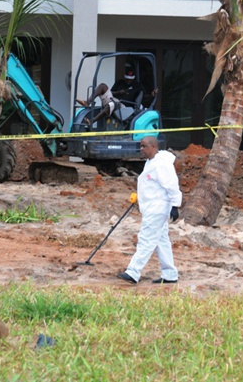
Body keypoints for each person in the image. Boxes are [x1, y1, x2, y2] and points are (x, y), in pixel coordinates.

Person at [117, 136, 182, 284]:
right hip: (151, 207)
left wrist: (175, 205)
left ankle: (133, 272)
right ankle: (170, 274)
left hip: (157, 209)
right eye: (140, 146)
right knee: (161, 241)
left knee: (146, 239)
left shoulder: (161, 165)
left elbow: (171, 185)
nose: (141, 149)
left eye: (144, 146)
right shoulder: (151, 162)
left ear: (153, 147)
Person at [76, 67, 145, 126]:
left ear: (133, 78)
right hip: (113, 99)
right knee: (103, 86)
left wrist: (152, 95)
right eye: (127, 79)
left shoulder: (138, 87)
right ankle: (87, 102)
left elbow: (144, 98)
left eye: (130, 79)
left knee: (111, 104)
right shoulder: (119, 82)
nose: (128, 81)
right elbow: (111, 92)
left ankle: (92, 121)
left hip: (123, 107)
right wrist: (118, 92)